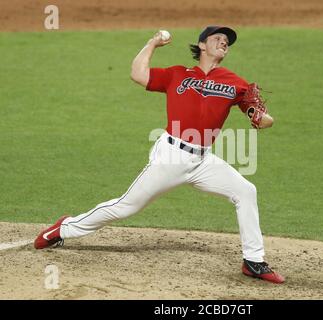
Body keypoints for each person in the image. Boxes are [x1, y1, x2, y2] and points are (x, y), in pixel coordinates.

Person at [34, 26, 285, 284]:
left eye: (227, 41)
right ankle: (64, 228)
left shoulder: (235, 83)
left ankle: (253, 261)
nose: (224, 42)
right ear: (201, 45)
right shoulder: (177, 74)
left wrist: (260, 117)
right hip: (171, 156)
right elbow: (137, 74)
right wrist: (153, 44)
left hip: (202, 160)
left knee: (246, 190)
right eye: (218, 38)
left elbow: (263, 120)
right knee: (125, 207)